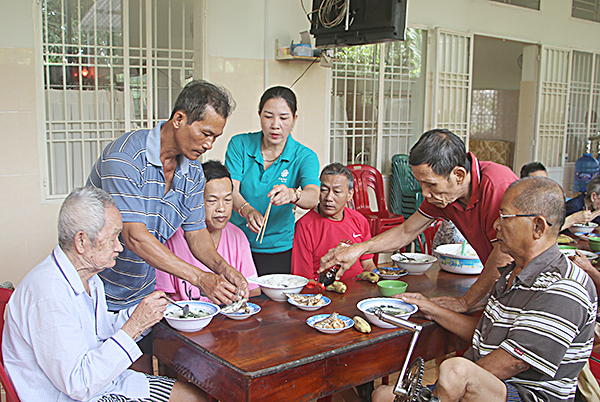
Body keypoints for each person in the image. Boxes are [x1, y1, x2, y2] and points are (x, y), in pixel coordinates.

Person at [372, 177, 597, 402]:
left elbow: (514, 361)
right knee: (383, 395)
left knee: (455, 371)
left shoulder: (564, 286)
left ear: (537, 226)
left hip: (526, 395)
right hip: (486, 384)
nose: (497, 225)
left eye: (505, 217)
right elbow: (485, 334)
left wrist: (453, 385)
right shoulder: (512, 273)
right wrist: (431, 309)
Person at [2, 187, 207, 402]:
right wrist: (135, 325)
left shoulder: (90, 279)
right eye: (112, 238)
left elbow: (100, 331)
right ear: (81, 241)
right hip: (73, 395)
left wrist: (141, 315)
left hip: (101, 383)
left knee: (195, 396)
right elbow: (79, 384)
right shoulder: (48, 293)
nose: (119, 247)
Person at [87, 80, 249, 311]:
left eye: (215, 137)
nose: (209, 145)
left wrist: (224, 269)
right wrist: (201, 278)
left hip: (142, 293)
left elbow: (197, 234)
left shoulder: (192, 172)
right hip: (94, 291)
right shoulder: (125, 158)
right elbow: (135, 237)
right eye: (205, 133)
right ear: (179, 119)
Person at [321, 129, 517, 313]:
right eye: (420, 183)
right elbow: (406, 231)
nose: (424, 192)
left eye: (430, 184)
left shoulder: (497, 185)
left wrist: (466, 301)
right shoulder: (443, 195)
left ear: (458, 175)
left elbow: (504, 256)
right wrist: (358, 249)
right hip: (501, 281)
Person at [225, 86, 320, 275]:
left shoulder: (304, 156)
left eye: (284, 118)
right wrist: (247, 210)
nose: (275, 125)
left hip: (279, 247)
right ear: (259, 115)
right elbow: (231, 190)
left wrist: (293, 194)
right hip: (236, 242)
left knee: (274, 302)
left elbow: (313, 196)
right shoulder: (240, 145)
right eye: (268, 116)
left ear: (294, 119)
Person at [156, 160, 261, 301]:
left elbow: (253, 291)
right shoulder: (171, 238)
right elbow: (163, 297)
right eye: (212, 201)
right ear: (195, 200)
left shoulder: (238, 236)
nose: (221, 208)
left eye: (228, 200)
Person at [292, 163, 376, 282]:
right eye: (324, 190)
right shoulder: (305, 225)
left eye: (336, 191)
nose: (329, 198)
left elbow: (368, 264)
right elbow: (303, 278)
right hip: (322, 291)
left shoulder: (359, 220)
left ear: (349, 195)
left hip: (358, 288)